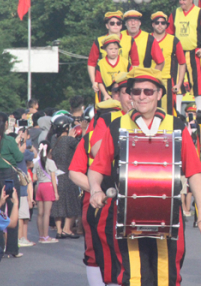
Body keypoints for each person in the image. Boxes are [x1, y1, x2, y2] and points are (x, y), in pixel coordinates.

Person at [88, 67, 201, 286]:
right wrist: (96, 189)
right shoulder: (117, 126)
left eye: (148, 91)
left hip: (169, 217)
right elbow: (97, 169)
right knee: (132, 278)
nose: (142, 96)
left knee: (167, 278)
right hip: (128, 219)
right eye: (136, 92)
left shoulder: (176, 126)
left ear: (159, 94)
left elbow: (194, 173)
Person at [69, 100, 122, 286]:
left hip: (129, 199)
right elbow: (74, 172)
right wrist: (97, 190)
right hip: (98, 201)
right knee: (94, 250)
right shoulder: (89, 138)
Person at [166, 0, 201, 114]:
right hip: (178, 53)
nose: (181, 2)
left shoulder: (200, 13)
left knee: (197, 80)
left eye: (184, 0)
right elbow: (169, 33)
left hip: (194, 52)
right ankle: (177, 109)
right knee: (178, 79)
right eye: (180, 0)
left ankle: (199, 109)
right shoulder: (175, 13)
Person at [0, 112, 24, 258]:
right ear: (5, 124)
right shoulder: (9, 140)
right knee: (12, 209)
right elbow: (19, 157)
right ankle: (12, 249)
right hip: (9, 177)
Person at [87, 11, 140, 92]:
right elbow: (91, 63)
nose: (115, 25)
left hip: (124, 85)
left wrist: (133, 82)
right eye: (112, 23)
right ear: (107, 25)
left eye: (118, 23)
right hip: (103, 84)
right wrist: (94, 81)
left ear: (121, 26)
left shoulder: (129, 40)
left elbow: (135, 63)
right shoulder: (99, 41)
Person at [49, 114, 81, 239]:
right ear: (67, 128)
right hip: (68, 174)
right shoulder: (70, 140)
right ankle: (67, 229)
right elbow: (81, 149)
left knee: (59, 204)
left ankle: (59, 230)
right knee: (72, 203)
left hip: (56, 175)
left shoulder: (53, 139)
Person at [150, 11, 187, 115]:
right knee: (148, 110)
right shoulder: (146, 39)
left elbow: (182, 63)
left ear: (166, 25)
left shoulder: (174, 40)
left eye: (163, 23)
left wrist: (179, 84)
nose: (160, 25)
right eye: (157, 22)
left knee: (167, 112)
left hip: (167, 80)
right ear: (153, 24)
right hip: (149, 79)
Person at [33, 140, 59, 244]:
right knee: (47, 214)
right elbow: (53, 178)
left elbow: (34, 177)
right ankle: (46, 236)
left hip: (39, 186)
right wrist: (56, 192)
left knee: (40, 213)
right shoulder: (51, 162)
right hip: (48, 186)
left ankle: (40, 236)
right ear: (49, 150)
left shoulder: (37, 163)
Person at [95, 36, 131, 102]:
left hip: (123, 94)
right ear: (105, 50)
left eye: (116, 49)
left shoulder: (125, 62)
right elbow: (99, 82)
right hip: (108, 95)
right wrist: (105, 95)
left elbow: (131, 78)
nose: (114, 51)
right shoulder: (101, 63)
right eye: (111, 49)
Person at [17, 149, 35, 247]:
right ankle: (20, 238)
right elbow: (33, 154)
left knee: (25, 217)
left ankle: (23, 237)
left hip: (23, 191)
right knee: (22, 216)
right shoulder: (20, 152)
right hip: (23, 191)